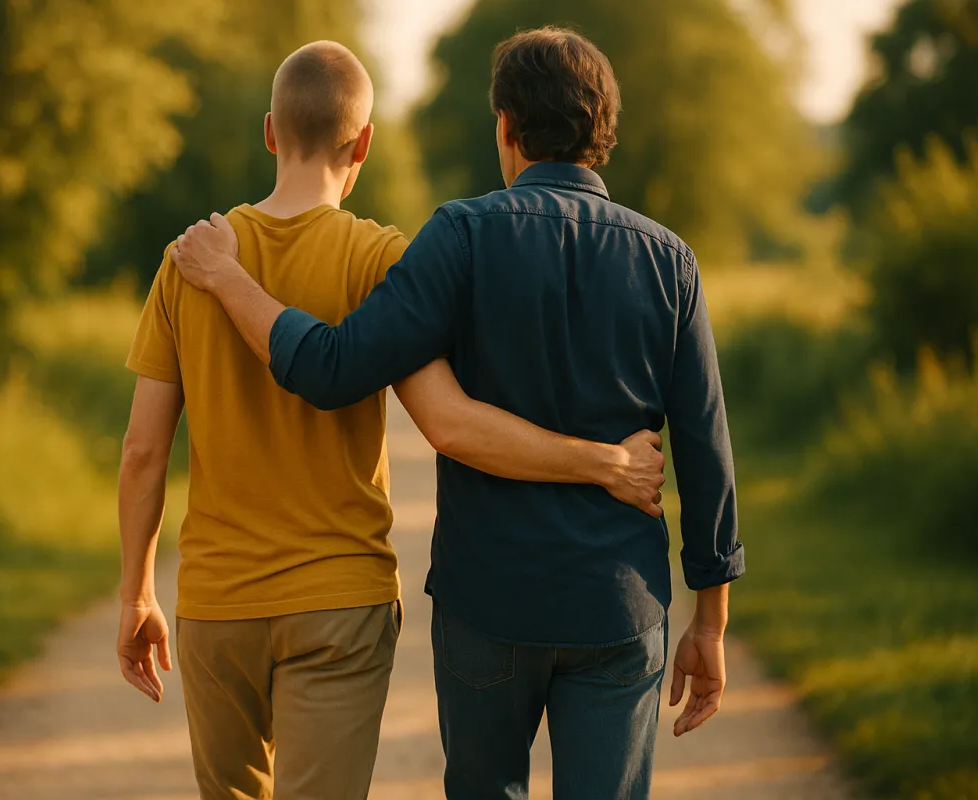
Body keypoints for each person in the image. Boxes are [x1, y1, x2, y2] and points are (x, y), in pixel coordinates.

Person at [173, 28, 743, 800]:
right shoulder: (669, 260)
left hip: (490, 603)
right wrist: (709, 623)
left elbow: (334, 367)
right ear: (603, 132)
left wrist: (229, 278)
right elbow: (707, 452)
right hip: (617, 607)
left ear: (506, 128)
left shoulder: (461, 237)